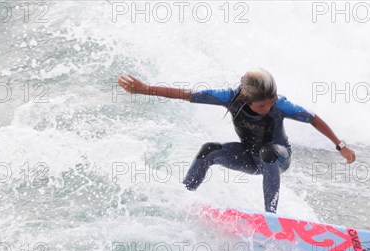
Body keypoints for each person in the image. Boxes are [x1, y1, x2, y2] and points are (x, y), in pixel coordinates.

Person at [117, 68, 356, 213]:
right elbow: (187, 94)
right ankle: (184, 197)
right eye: (263, 105)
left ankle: (270, 216)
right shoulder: (230, 98)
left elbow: (314, 119)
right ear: (246, 99)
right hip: (248, 156)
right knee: (209, 151)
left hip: (278, 157)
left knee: (268, 152)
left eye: (271, 102)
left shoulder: (281, 105)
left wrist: (340, 146)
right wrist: (145, 89)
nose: (269, 107)